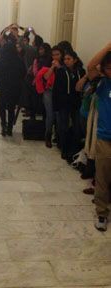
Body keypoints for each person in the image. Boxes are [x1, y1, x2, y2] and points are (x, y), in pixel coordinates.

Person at [87, 42, 111, 232]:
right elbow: (90, 67)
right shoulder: (103, 85)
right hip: (105, 137)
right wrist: (108, 46)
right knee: (102, 176)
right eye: (109, 68)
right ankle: (102, 213)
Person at [53, 50, 86, 161]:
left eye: (69, 59)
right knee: (63, 127)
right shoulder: (61, 71)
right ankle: (64, 148)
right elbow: (56, 89)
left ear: (75, 60)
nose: (66, 61)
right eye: (65, 59)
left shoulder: (80, 72)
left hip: (76, 103)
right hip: (63, 103)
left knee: (77, 127)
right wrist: (55, 106)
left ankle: (74, 149)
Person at [0, 43, 26, 136]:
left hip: (4, 87)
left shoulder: (2, 61)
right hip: (15, 88)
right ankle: (10, 128)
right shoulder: (19, 61)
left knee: (2, 107)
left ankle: (4, 125)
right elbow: (24, 73)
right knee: (11, 108)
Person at [40, 45, 64, 148]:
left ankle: (58, 137)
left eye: (58, 54)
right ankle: (48, 137)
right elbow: (45, 77)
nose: (55, 57)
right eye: (53, 55)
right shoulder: (49, 64)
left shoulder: (64, 66)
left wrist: (59, 67)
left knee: (59, 116)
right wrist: (53, 67)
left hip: (60, 93)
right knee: (50, 115)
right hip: (49, 91)